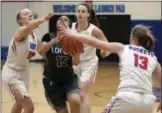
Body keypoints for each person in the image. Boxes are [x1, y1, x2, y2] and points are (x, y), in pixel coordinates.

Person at [58, 24, 161, 113]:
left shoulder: (123, 48)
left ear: (133, 38)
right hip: (147, 103)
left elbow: (95, 42)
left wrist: (73, 34)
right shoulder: (154, 59)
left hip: (127, 97)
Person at [2, 8, 53, 113]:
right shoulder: (21, 31)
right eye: (26, 14)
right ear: (20, 20)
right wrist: (43, 19)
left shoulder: (35, 38)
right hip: (12, 74)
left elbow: (43, 52)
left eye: (31, 13)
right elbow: (30, 27)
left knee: (19, 104)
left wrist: (56, 41)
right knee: (29, 107)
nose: (29, 15)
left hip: (24, 73)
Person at [71, 3, 110, 113]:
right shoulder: (72, 27)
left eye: (83, 11)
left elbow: (106, 45)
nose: (80, 13)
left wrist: (104, 52)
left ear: (88, 14)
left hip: (89, 64)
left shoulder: (94, 30)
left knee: (82, 94)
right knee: (75, 96)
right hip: (74, 63)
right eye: (78, 11)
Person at [38, 15, 82, 113]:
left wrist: (76, 53)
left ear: (69, 25)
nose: (62, 20)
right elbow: (41, 51)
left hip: (69, 78)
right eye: (60, 19)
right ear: (56, 24)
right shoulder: (48, 36)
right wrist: (55, 40)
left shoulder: (73, 39)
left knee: (75, 101)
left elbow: (76, 62)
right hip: (51, 81)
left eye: (66, 20)